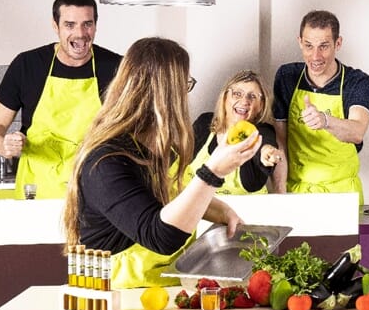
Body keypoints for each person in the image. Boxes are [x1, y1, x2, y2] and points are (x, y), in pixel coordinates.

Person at [62, 37, 260, 289]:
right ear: (164, 93)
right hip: (114, 302)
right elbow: (161, 236)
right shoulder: (105, 163)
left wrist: (216, 208)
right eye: (183, 85)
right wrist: (213, 172)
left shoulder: (158, 148)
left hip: (164, 293)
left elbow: (168, 196)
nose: (184, 96)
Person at [0, 0, 122, 199]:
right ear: (55, 26)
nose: (80, 34)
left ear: (96, 25)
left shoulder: (117, 67)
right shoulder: (27, 65)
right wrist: (4, 146)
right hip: (37, 189)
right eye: (70, 25)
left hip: (94, 190)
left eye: (87, 24)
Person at [272, 10, 369, 204]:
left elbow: (357, 131)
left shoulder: (357, 81)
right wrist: (279, 192)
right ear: (300, 42)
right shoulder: (287, 76)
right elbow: (280, 140)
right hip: (296, 191)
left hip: (343, 194)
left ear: (338, 43)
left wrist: (325, 120)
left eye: (324, 46)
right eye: (309, 46)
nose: (315, 56)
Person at [185, 70, 284, 195]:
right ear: (225, 97)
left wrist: (267, 152)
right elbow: (180, 161)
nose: (245, 101)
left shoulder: (261, 132)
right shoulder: (204, 122)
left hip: (243, 213)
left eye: (253, 96)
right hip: (196, 211)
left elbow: (264, 145)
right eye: (237, 94)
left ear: (261, 106)